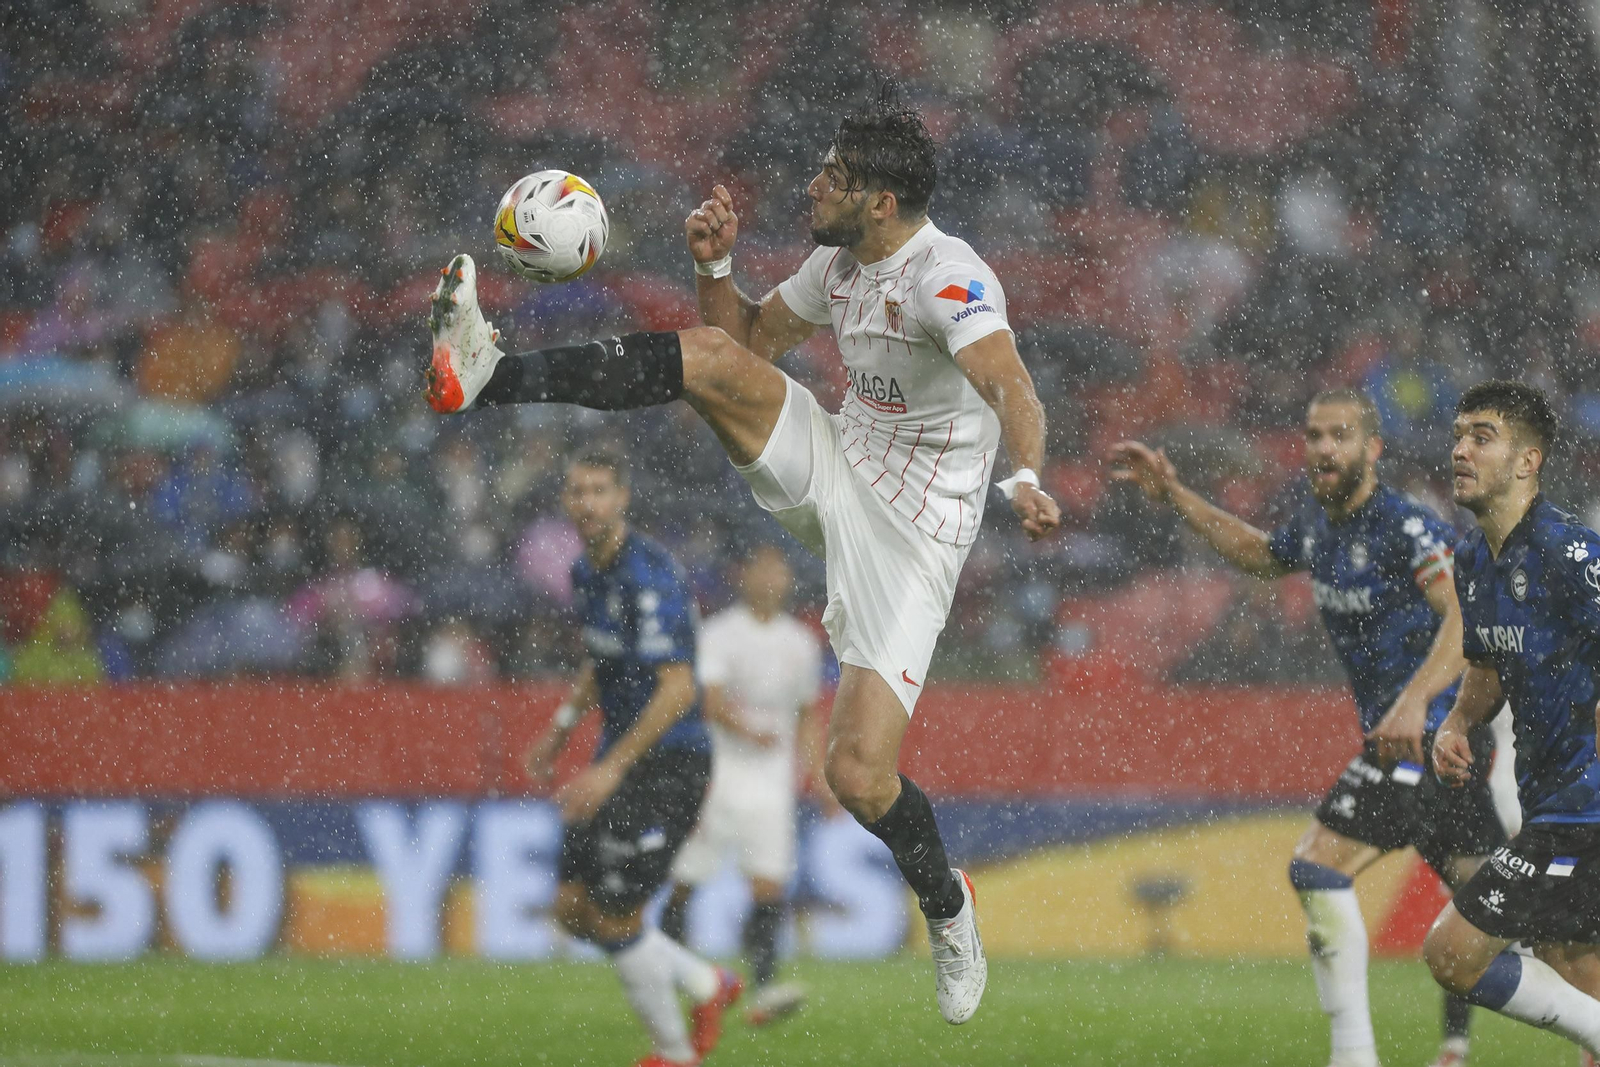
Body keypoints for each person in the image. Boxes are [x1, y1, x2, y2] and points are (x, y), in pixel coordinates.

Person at [429, 82, 1061, 1024]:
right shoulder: (841, 262)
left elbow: (1010, 382)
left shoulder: (947, 276)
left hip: (913, 538)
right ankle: (486, 374)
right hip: (841, 460)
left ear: (880, 202)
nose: (813, 184)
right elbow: (750, 338)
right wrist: (717, 265)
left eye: (833, 177)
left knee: (856, 774)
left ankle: (949, 905)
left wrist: (1026, 475)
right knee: (712, 363)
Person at [1110, 389, 1507, 1067]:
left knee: (1318, 865)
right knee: (1495, 919)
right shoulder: (1320, 528)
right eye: (1315, 435)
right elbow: (1259, 552)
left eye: (1341, 436)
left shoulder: (1403, 526)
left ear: (1371, 449)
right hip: (1422, 744)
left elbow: (1463, 618)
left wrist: (1414, 702)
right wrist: (1177, 492)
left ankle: (1354, 1055)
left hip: (1428, 737)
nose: (1325, 448)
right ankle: (1579, 1025)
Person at [523, 452, 740, 1067]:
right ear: (566, 503)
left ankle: (675, 1055)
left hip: (668, 765)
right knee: (572, 911)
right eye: (576, 492)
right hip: (614, 757)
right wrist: (561, 729)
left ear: (622, 498)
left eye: (599, 490)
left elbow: (678, 688)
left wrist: (611, 767)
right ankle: (706, 985)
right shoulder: (585, 572)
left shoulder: (651, 577)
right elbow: (602, 656)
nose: (587, 502)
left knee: (616, 919)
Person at [1426, 380, 1600, 1061]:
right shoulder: (1475, 558)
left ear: (1528, 461)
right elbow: (1490, 661)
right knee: (1572, 963)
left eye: (1482, 436)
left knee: (1452, 953)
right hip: (1550, 797)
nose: (1460, 449)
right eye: (1459, 433)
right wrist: (1458, 722)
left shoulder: (1569, 551)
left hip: (1584, 806)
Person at [659, 543, 827, 1028]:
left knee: (768, 883)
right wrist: (749, 729)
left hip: (772, 782)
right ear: (743, 574)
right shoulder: (719, 634)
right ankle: (675, 975)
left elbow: (807, 716)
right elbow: (707, 701)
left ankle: (765, 986)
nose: (772, 577)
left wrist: (817, 776)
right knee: (685, 882)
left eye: (780, 568)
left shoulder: (801, 642)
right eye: (762, 567)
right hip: (716, 775)